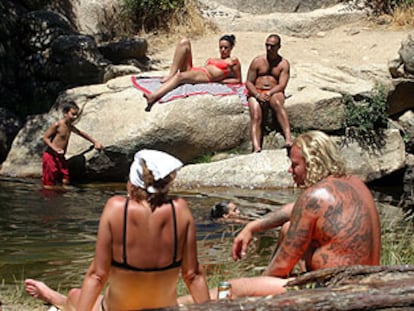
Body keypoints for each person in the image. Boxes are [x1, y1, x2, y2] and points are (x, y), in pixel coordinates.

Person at [180, 130, 381, 303]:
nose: (289, 170)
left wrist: (257, 286)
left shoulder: (314, 197)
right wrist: (253, 226)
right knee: (286, 228)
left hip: (333, 291)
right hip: (366, 281)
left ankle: (184, 304)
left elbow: (280, 266)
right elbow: (295, 209)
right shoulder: (352, 183)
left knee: (231, 288)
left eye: (295, 165)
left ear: (312, 163)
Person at [25, 149, 210, 310]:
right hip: (165, 310)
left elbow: (97, 275)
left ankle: (54, 298)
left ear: (132, 181)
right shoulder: (180, 209)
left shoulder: (116, 208)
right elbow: (193, 275)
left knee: (75, 295)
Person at [144, 34, 242, 111]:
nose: (223, 50)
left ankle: (153, 96)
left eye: (226, 48)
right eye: (221, 47)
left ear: (231, 48)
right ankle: (171, 74)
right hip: (196, 71)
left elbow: (238, 80)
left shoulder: (233, 61)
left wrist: (221, 82)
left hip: (205, 76)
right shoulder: (214, 58)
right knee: (184, 42)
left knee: (180, 77)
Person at [245, 34, 292, 152]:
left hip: (275, 91)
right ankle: (256, 147)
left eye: (272, 46)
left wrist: (270, 93)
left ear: (279, 47)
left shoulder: (283, 64)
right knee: (256, 114)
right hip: (257, 91)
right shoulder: (257, 61)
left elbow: (282, 84)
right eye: (267, 45)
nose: (269, 49)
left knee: (277, 103)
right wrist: (257, 94)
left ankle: (288, 139)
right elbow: (249, 82)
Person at [42, 101, 103, 189]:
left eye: (76, 115)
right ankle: (49, 199)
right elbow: (45, 138)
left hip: (61, 157)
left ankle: (61, 198)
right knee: (49, 183)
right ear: (65, 113)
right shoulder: (57, 125)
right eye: (73, 114)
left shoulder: (69, 126)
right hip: (50, 156)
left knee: (65, 179)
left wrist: (95, 142)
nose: (75, 117)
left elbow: (81, 133)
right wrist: (55, 149)